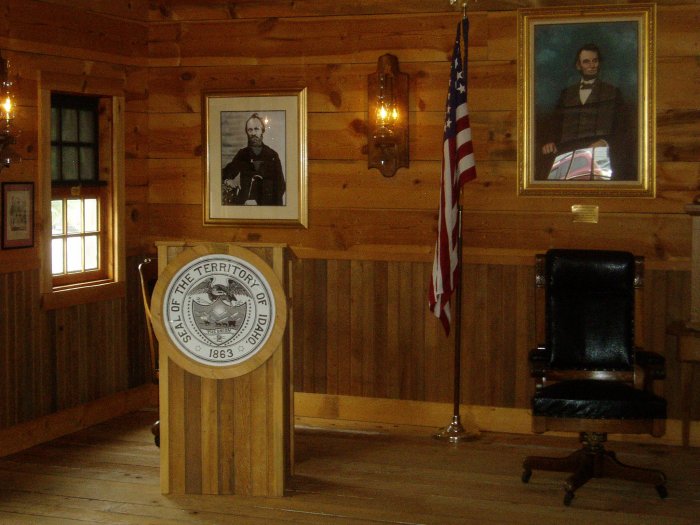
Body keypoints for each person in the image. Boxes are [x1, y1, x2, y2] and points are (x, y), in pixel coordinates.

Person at [538, 43, 635, 181]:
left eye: (595, 61)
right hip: (567, 150)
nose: (591, 65)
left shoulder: (612, 92)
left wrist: (605, 142)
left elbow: (623, 128)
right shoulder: (566, 94)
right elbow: (555, 123)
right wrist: (550, 141)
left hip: (598, 150)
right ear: (579, 65)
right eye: (586, 62)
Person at [222, 113, 286, 205]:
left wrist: (260, 201)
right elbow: (226, 172)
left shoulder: (272, 155)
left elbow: (280, 186)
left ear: (262, 131)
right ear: (247, 132)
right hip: (245, 205)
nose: (253, 133)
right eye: (250, 130)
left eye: (256, 129)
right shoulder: (242, 154)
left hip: (266, 207)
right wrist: (228, 180)